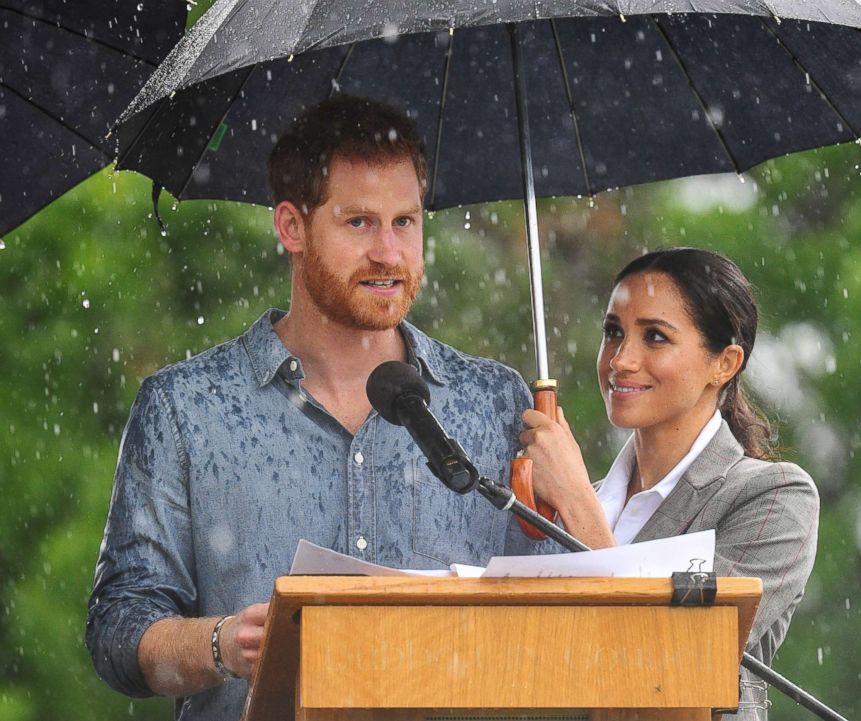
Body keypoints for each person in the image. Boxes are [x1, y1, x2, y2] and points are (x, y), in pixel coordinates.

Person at [86, 96, 533, 721]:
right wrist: (221, 644)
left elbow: (560, 618)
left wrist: (573, 498)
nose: (389, 253)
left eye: (405, 221)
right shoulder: (184, 409)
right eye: (359, 223)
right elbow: (116, 629)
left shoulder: (496, 400)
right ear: (291, 227)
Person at [519, 247, 819, 720]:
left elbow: (674, 659)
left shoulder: (775, 497)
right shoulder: (572, 502)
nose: (621, 359)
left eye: (655, 337)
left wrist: (576, 503)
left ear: (725, 363)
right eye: (613, 332)